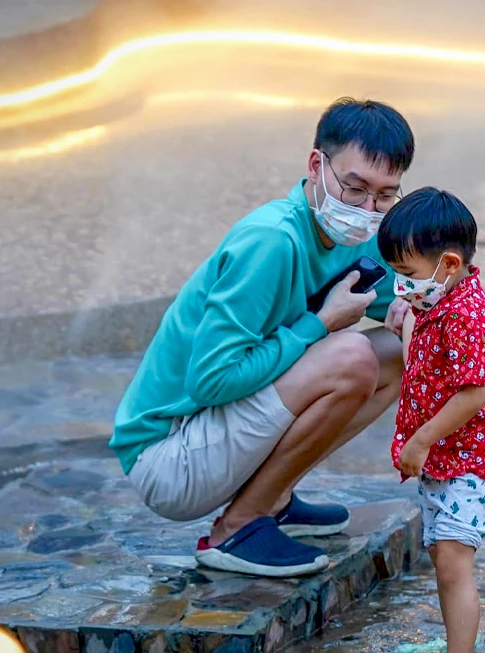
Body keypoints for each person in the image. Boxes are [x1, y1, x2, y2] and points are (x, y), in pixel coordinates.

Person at [110, 98, 415, 578]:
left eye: (385, 196)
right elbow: (212, 381)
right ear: (317, 165)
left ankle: (272, 499)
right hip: (169, 455)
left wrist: (412, 305)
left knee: (399, 352)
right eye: (355, 189)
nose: (368, 210)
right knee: (352, 354)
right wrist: (321, 324)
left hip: (216, 432)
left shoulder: (360, 236)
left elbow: (400, 305)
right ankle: (237, 528)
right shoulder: (271, 240)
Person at [377, 187, 485, 653]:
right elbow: (420, 363)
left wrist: (421, 440)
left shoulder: (467, 316)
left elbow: (473, 393)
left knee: (455, 561)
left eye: (408, 275)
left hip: (468, 461)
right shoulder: (440, 301)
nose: (401, 284)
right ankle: (455, 637)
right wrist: (409, 318)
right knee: (441, 553)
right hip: (446, 460)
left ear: (448, 263)